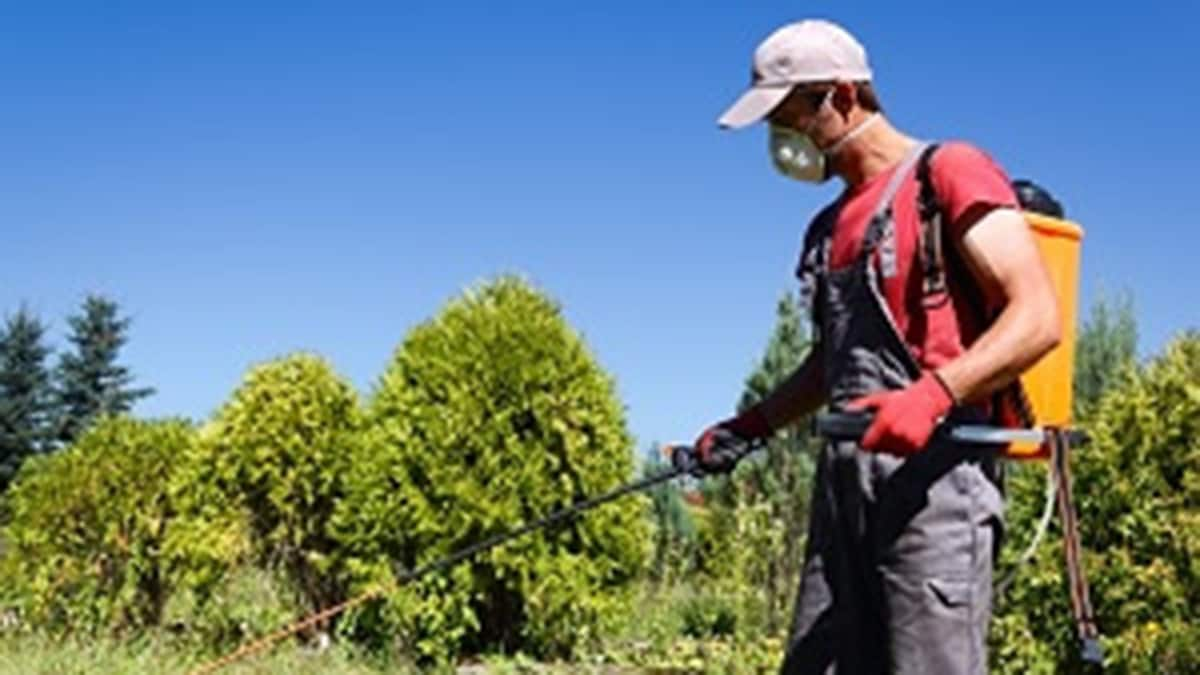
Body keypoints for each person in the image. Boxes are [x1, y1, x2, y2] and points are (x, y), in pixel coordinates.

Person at [689, 19, 1062, 674]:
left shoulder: (946, 174)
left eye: (788, 114)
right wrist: (749, 425)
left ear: (840, 95)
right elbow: (829, 365)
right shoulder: (826, 226)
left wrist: (934, 393)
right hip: (843, 487)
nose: (783, 137)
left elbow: (1036, 316)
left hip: (937, 483)